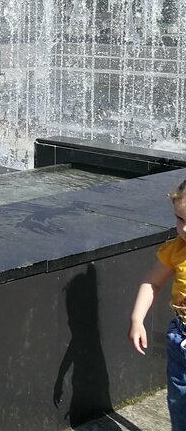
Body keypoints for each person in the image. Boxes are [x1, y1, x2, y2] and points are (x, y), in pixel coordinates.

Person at [129, 178, 186, 430]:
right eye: (180, 219)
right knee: (179, 398)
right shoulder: (176, 250)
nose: (185, 230)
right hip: (180, 339)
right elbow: (152, 283)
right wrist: (137, 319)